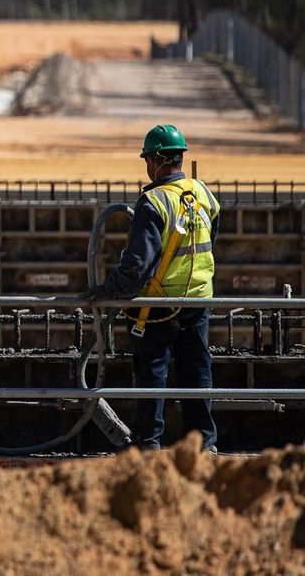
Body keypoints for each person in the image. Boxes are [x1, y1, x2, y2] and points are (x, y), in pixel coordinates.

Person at [86, 124, 218, 452]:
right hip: (198, 299)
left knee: (152, 371)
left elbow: (136, 266)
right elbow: (210, 238)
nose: (147, 165)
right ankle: (204, 445)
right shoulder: (202, 193)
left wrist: (108, 291)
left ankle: (149, 446)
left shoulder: (153, 201)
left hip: (158, 304)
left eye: (148, 159)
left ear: (157, 161)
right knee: (197, 370)